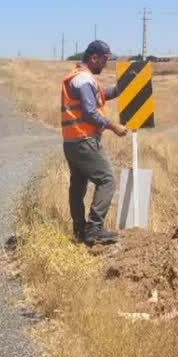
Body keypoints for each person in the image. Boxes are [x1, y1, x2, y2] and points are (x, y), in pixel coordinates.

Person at [61, 40, 128, 245]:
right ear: (94, 57)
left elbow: (100, 95)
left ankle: (80, 231)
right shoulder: (83, 79)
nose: (106, 64)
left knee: (78, 187)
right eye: (105, 60)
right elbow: (90, 112)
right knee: (107, 180)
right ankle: (95, 229)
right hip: (84, 140)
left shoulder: (80, 77)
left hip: (72, 141)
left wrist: (120, 89)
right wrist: (113, 126)